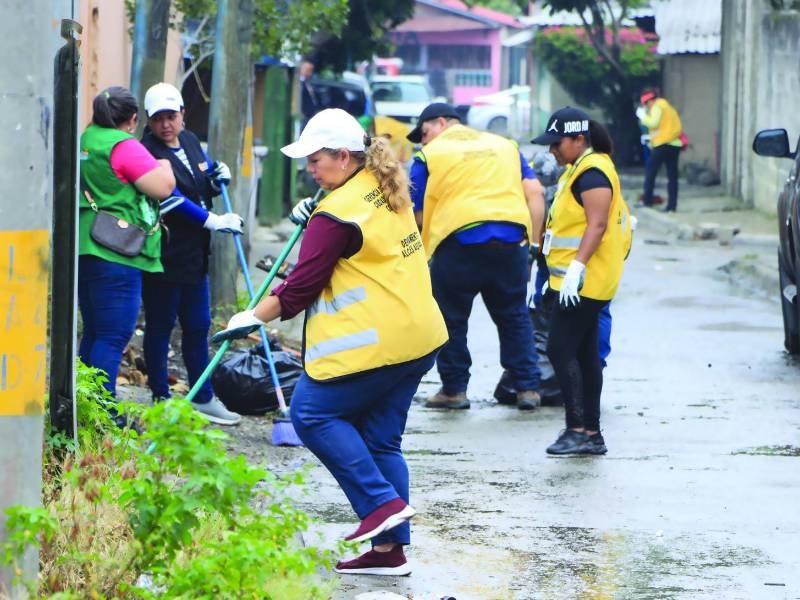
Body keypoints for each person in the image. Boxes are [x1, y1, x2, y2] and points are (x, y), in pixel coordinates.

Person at [217, 108, 448, 576]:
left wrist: (251, 317)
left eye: (315, 161)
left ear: (344, 157)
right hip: (420, 336)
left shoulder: (336, 213)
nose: (309, 169)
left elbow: (298, 291)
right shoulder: (382, 186)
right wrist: (316, 215)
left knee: (312, 413)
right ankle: (389, 553)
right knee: (381, 441)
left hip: (379, 343)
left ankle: (380, 505)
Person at [407, 102, 545, 410]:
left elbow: (414, 214)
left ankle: (454, 390)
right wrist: (533, 245)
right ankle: (527, 388)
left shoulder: (428, 156)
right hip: (510, 241)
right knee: (514, 314)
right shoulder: (505, 146)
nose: (423, 140)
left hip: (459, 242)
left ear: (441, 122)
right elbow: (535, 192)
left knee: (451, 318)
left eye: (425, 131)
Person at [139, 82, 243, 426]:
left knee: (198, 326)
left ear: (182, 114)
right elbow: (169, 199)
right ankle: (161, 399)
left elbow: (199, 186)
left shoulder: (189, 141)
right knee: (160, 326)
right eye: (159, 119)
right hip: (165, 255)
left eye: (172, 116)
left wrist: (217, 178)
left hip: (196, 257)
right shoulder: (147, 151)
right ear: (150, 122)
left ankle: (202, 396)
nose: (166, 124)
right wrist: (212, 220)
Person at [531, 106, 631, 455]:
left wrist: (577, 266)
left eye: (557, 143)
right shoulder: (579, 170)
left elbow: (598, 224)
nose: (552, 150)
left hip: (584, 282)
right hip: (576, 281)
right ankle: (591, 432)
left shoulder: (593, 174)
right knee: (586, 355)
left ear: (578, 139)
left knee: (560, 349)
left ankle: (578, 430)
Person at [78, 86, 175, 417]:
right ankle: (105, 415)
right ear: (132, 120)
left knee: (94, 332)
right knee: (113, 335)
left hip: (86, 245)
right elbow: (162, 187)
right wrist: (164, 164)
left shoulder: (87, 139)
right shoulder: (123, 146)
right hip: (115, 252)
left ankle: (84, 406)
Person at [637, 90, 683, 212]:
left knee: (650, 172)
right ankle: (672, 207)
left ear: (650, 101)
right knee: (672, 176)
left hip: (662, 144)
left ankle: (647, 201)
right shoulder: (668, 107)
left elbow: (653, 123)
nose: (646, 107)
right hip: (674, 144)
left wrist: (643, 117)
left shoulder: (657, 106)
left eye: (646, 104)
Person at [299, 60, 318, 127]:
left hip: (309, 116)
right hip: (303, 115)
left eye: (311, 71)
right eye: (308, 70)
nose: (310, 73)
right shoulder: (300, 83)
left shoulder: (308, 82)